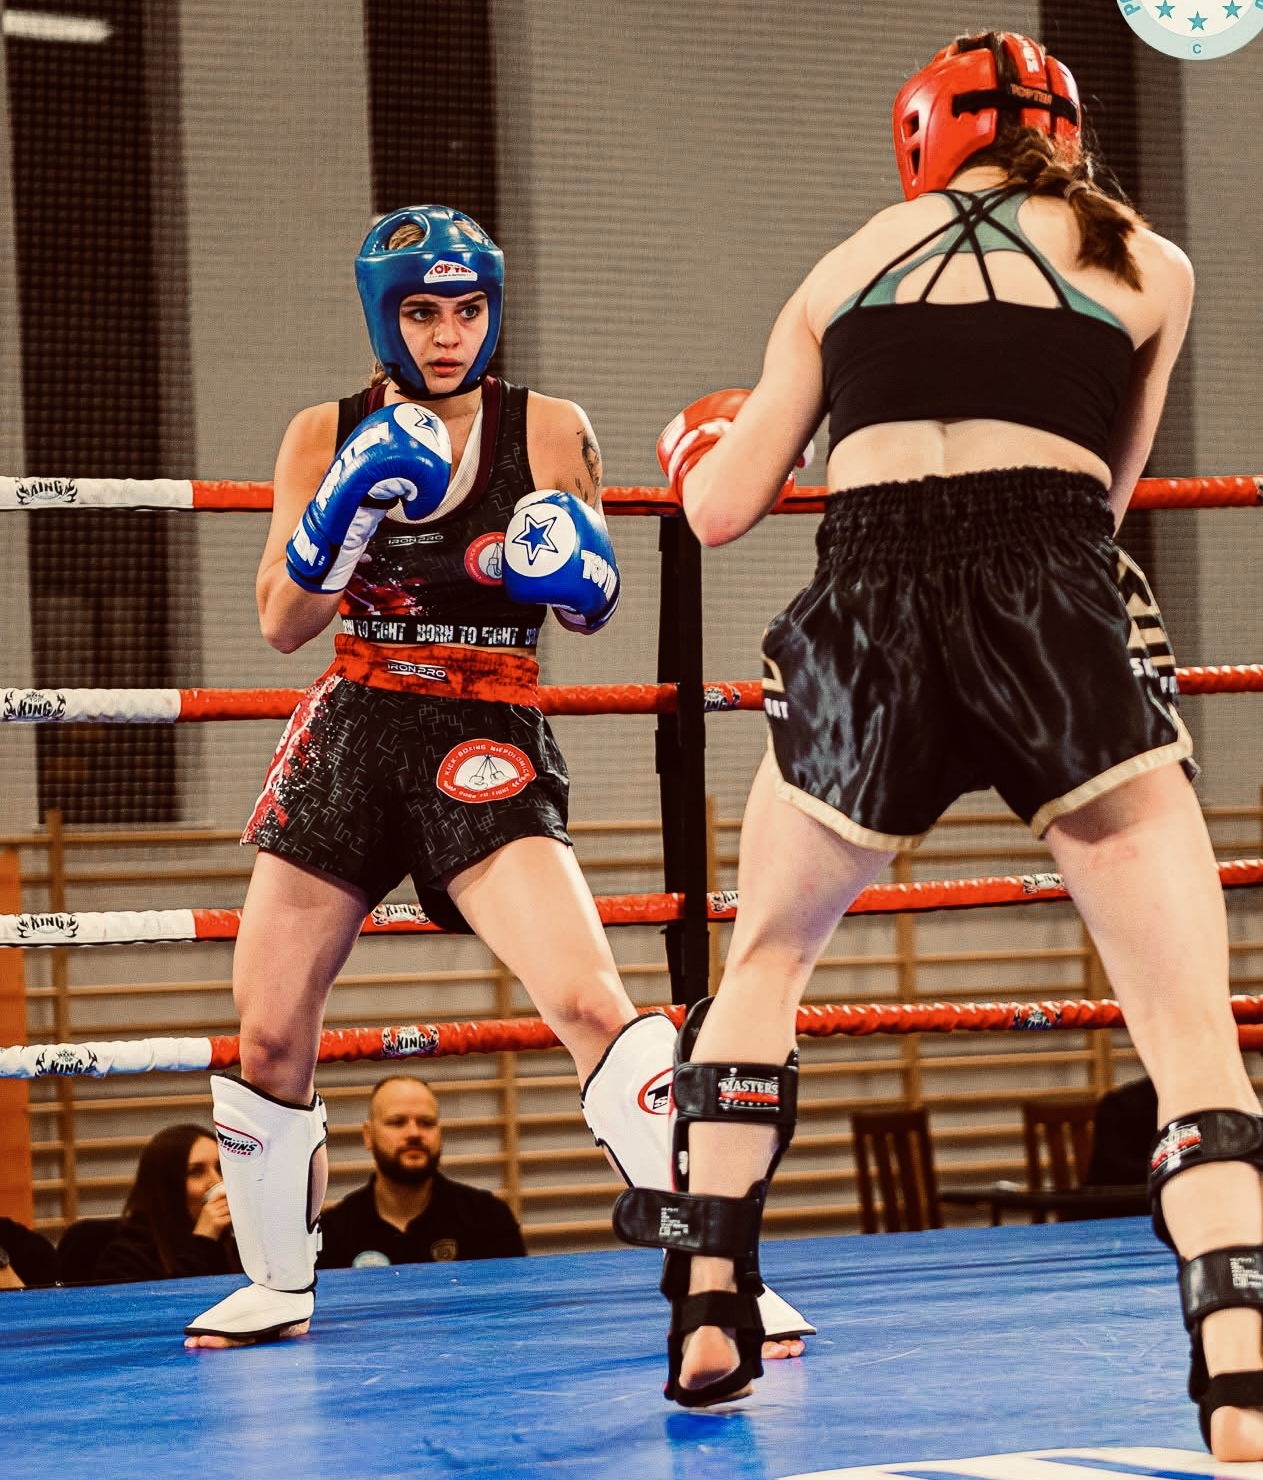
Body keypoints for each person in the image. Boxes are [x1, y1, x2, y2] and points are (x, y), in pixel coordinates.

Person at [620, 31, 1263, 1456]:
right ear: (1066, 136)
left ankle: (708, 1306)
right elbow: (1109, 496)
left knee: (765, 960)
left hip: (867, 596)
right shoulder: (1149, 262)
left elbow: (714, 513)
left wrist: (702, 444)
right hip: (1052, 590)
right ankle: (1240, 1381)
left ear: (919, 140)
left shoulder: (843, 266)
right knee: (1185, 1023)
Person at [187, 204, 810, 1354]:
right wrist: (342, 508)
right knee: (267, 1029)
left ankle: (724, 1264)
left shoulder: (549, 427)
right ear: (386, 316)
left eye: (468, 310)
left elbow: (591, 604)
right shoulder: (322, 433)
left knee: (590, 1000)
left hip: (486, 722)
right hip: (357, 720)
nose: (448, 335)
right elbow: (282, 621)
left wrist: (575, 567)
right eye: (424, 312)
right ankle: (277, 1283)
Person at [318, 1074, 525, 1266]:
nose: (414, 1133)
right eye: (397, 1122)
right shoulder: (333, 1233)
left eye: (426, 1123)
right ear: (368, 1135)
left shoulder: (489, 1220)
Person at [95, 1125, 239, 1284]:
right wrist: (204, 1240)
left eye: (220, 1168)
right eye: (196, 1172)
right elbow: (182, 1298)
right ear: (166, 1187)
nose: (217, 1181)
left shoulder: (237, 1242)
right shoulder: (125, 1258)